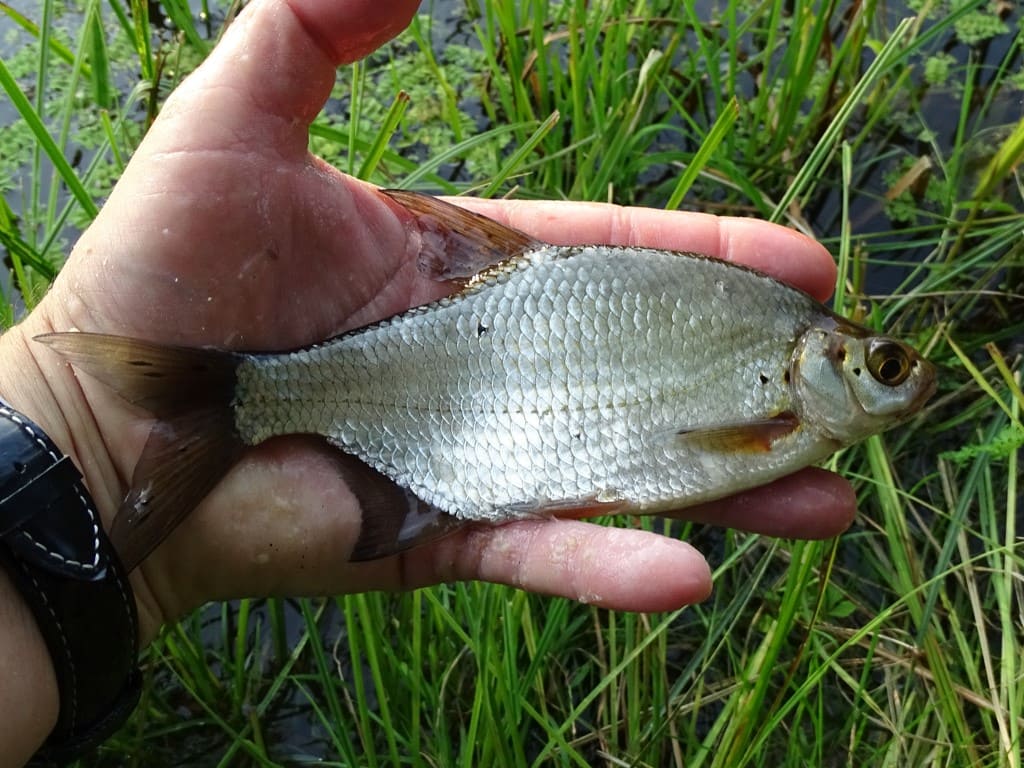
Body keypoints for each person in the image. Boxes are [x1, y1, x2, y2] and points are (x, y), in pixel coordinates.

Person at [0, 0, 856, 762]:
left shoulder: (779, 362)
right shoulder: (788, 391)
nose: (896, 382)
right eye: (884, 368)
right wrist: (71, 435)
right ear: (815, 360)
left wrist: (68, 439)